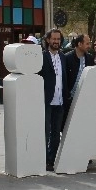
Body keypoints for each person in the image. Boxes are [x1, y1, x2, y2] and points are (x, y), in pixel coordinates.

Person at [40, 29, 69, 171]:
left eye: (58, 39)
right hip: (46, 100)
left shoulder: (63, 57)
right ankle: (43, 159)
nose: (56, 41)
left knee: (56, 132)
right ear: (48, 40)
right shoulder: (42, 57)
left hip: (60, 100)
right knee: (45, 131)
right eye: (54, 39)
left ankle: (51, 160)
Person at [64, 33, 94, 108]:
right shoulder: (67, 58)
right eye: (87, 44)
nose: (89, 46)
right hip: (69, 98)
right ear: (80, 44)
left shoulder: (90, 58)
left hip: (85, 97)